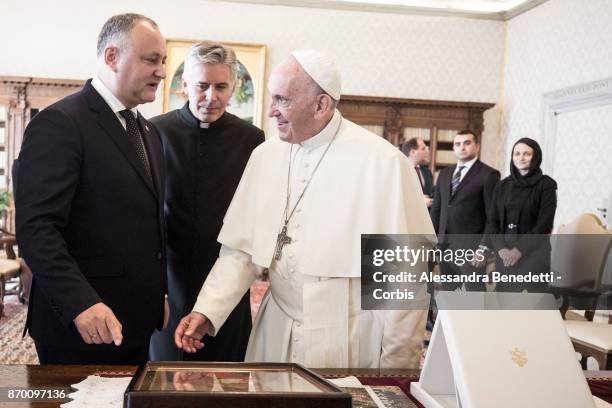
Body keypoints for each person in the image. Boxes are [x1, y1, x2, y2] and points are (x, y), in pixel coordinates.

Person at [174, 50, 434, 368]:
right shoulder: (265, 156)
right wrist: (208, 310)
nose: (271, 112)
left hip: (348, 335)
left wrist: (397, 368)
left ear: (321, 104)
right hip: (276, 327)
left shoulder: (384, 163)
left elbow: (404, 278)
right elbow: (240, 251)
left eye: (282, 100)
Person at [14, 13, 167, 365]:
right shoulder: (60, 123)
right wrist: (80, 301)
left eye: (163, 62)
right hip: (81, 326)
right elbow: (38, 228)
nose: (161, 71)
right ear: (112, 57)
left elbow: (145, 224)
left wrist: (156, 292)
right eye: (151, 60)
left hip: (138, 323)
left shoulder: (149, 132)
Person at [149, 41, 264, 361]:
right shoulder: (155, 131)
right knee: (164, 373)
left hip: (226, 269)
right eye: (201, 85)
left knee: (225, 375)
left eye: (221, 86)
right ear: (184, 84)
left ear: (234, 87)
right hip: (170, 276)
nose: (211, 96)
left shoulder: (252, 139)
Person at [481, 138, 557, 292]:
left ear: (536, 157)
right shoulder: (502, 185)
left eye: (527, 154)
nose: (521, 158)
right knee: (503, 305)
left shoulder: (546, 185)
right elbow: (492, 222)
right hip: (504, 256)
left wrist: (518, 250)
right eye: (517, 154)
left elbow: (544, 225)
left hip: (533, 254)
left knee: (528, 308)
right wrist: (501, 249)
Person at [430, 130, 500, 291]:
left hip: (472, 249)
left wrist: (483, 249)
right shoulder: (445, 173)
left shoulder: (489, 175)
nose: (462, 147)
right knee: (448, 294)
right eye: (458, 144)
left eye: (467, 143)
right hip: (444, 245)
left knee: (474, 294)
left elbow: (493, 217)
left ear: (477, 146)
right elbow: (437, 210)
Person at [401, 137, 434, 208]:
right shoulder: (400, 171)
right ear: (413, 152)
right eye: (423, 149)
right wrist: (419, 201)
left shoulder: (427, 172)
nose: (427, 151)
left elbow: (431, 193)